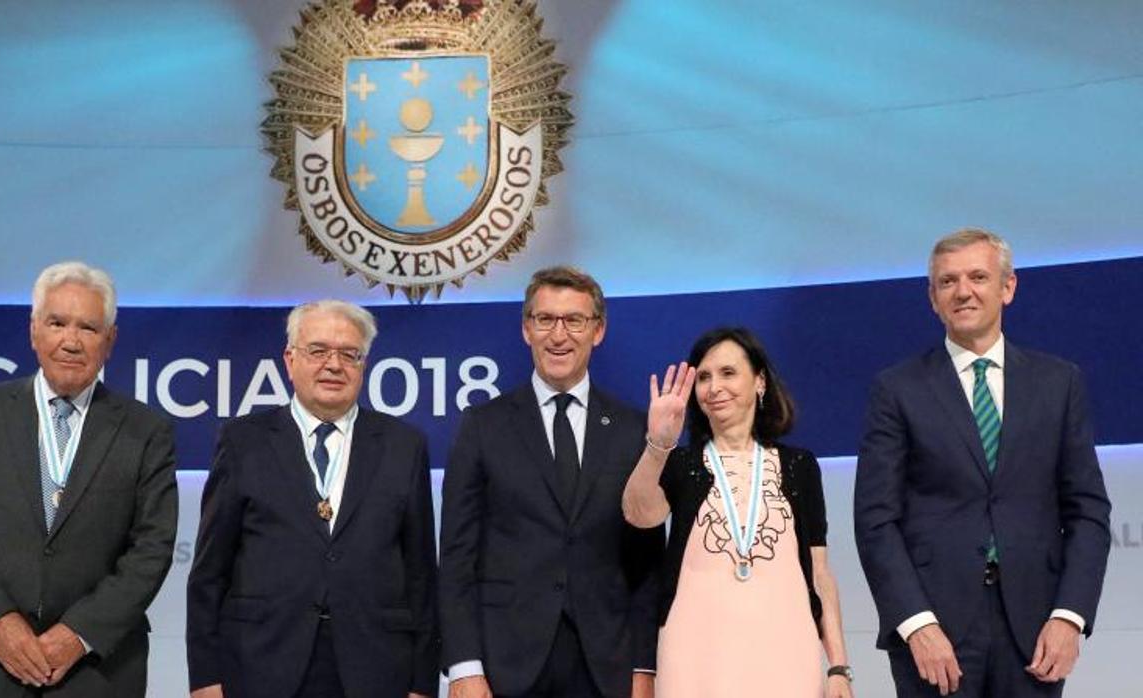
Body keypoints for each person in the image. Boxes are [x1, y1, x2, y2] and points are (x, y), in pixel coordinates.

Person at [854, 228, 1112, 697]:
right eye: (948, 281)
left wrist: (1070, 616)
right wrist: (915, 624)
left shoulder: (1059, 383)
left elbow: (1088, 511)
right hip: (935, 635)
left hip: (1035, 630)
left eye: (978, 276)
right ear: (932, 298)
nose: (963, 291)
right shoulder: (897, 389)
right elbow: (876, 521)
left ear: (1007, 287)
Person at [0, 261, 179, 697]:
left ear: (110, 340)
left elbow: (151, 550)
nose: (71, 341)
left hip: (96, 672)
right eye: (57, 323)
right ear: (34, 331)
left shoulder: (147, 431)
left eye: (88, 328)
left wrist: (77, 634)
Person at [186, 300, 437, 698]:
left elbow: (421, 576)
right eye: (318, 351)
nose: (333, 365)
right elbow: (209, 573)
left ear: (364, 365)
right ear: (290, 360)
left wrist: (423, 684)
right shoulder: (242, 442)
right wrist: (204, 678)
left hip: (375, 669)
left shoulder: (404, 446)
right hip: (259, 665)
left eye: (349, 354)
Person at [439, 266, 665, 698]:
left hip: (605, 667)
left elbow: (646, 565)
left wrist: (643, 667)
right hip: (505, 664)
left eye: (574, 320)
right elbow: (456, 557)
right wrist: (464, 666)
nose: (558, 335)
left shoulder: (633, 430)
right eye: (545, 319)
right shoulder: (483, 426)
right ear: (527, 329)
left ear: (597, 331)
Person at [622, 327, 854, 697]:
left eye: (728, 373)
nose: (714, 387)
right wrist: (659, 445)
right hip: (695, 651)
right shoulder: (681, 463)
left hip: (787, 646)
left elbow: (820, 572)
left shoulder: (799, 465)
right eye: (703, 377)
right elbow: (639, 515)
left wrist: (839, 666)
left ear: (759, 381)